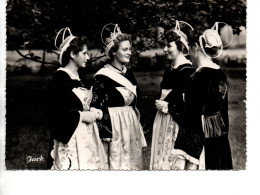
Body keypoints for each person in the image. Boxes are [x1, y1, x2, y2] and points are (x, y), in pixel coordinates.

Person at [172, 23, 233, 170]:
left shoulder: (196, 78)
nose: (189, 55)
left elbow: (190, 119)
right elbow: (223, 115)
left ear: (195, 47)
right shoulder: (221, 74)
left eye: (189, 49)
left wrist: (184, 154)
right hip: (220, 141)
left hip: (201, 143)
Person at [46, 27, 108, 170]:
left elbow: (81, 103)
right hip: (71, 139)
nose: (88, 57)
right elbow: (54, 113)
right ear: (73, 54)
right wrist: (80, 116)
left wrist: (92, 109)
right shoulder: (59, 80)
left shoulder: (80, 79)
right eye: (84, 53)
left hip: (86, 137)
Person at [91, 24, 147, 170]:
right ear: (114, 51)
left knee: (132, 163)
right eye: (125, 49)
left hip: (130, 122)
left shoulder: (128, 73)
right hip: (114, 126)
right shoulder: (102, 77)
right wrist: (105, 132)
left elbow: (136, 100)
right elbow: (98, 107)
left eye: (130, 49)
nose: (129, 52)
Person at [150, 21, 195, 170]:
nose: (164, 49)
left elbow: (191, 105)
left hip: (176, 124)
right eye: (164, 45)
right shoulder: (170, 69)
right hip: (162, 121)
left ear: (180, 47)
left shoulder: (188, 71)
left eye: (169, 46)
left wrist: (169, 107)